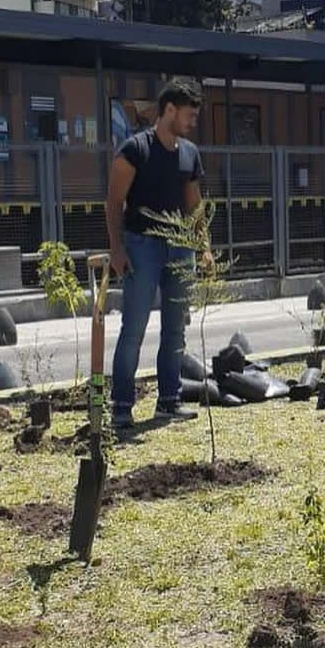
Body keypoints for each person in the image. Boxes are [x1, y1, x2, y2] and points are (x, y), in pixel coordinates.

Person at [105, 78, 206, 427]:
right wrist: (117, 249)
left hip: (180, 249)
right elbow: (114, 201)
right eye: (188, 115)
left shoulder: (190, 153)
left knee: (175, 329)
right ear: (169, 110)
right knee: (133, 327)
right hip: (142, 246)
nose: (192, 122)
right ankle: (121, 406)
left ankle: (169, 399)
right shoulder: (135, 150)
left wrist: (203, 247)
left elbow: (195, 205)